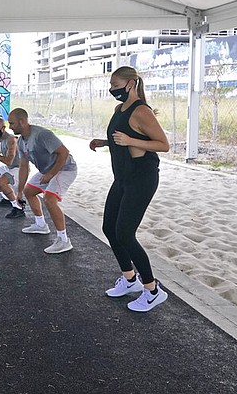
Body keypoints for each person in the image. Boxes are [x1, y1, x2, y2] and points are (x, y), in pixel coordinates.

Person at [90, 66, 170, 312]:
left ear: (131, 84)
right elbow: (121, 136)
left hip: (142, 177)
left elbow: (163, 145)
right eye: (111, 84)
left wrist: (130, 141)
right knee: (109, 228)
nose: (112, 89)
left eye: (115, 84)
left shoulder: (141, 111)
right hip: (123, 176)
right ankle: (129, 279)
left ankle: (152, 290)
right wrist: (104, 142)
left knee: (125, 233)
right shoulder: (119, 109)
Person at [7, 108, 78, 254]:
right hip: (47, 170)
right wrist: (19, 191)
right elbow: (24, 167)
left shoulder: (42, 135)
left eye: (12, 123)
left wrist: (51, 174)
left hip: (65, 168)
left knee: (49, 199)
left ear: (22, 121)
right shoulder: (21, 141)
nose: (10, 127)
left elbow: (64, 152)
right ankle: (41, 225)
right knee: (29, 191)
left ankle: (64, 240)